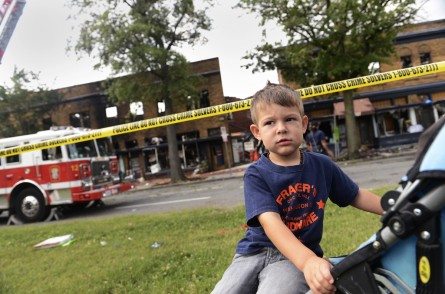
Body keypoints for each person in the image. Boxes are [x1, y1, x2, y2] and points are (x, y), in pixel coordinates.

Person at [211, 82, 383, 294]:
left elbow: (355, 195)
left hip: (296, 257)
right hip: (253, 253)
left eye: (289, 119)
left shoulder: (322, 165)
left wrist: (394, 207)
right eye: (270, 122)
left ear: (303, 124)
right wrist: (309, 261)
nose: (281, 128)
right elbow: (271, 224)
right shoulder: (256, 173)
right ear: (257, 132)